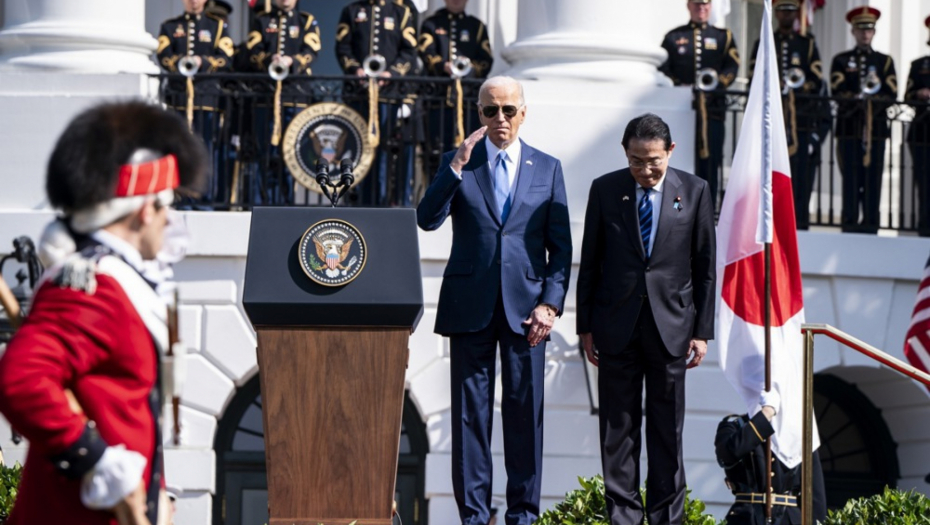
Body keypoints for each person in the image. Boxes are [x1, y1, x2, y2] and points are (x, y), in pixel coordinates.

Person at [0, 101, 207, 525]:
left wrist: (154, 492)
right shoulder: (93, 288)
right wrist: (97, 461)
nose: (168, 221)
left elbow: (123, 410)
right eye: (165, 207)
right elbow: (21, 380)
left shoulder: (118, 283)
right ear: (145, 209)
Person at [417, 76, 572, 525]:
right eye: (490, 110)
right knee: (470, 417)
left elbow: (560, 249)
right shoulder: (459, 162)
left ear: (523, 112)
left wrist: (550, 304)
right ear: (479, 113)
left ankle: (523, 516)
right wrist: (455, 167)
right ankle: (474, 516)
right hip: (470, 304)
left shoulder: (548, 168)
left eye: (508, 110)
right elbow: (427, 219)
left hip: (528, 310)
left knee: (525, 415)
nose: (500, 119)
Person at [576, 113, 715, 525]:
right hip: (615, 326)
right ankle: (624, 517)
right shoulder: (605, 189)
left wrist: (702, 332)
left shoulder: (695, 190)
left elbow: (705, 266)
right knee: (617, 430)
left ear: (670, 151)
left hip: (672, 328)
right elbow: (590, 263)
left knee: (667, 430)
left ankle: (666, 518)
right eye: (636, 161)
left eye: (653, 160)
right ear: (625, 153)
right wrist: (585, 327)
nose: (645, 170)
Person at [748, 0, 823, 230]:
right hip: (772, 119)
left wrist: (798, 87)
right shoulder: (765, 41)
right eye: (782, 11)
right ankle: (773, 221)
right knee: (771, 174)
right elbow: (753, 75)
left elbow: (817, 79)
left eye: (790, 11)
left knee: (801, 175)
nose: (786, 15)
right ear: (777, 14)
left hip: (800, 120)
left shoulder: (807, 43)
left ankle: (799, 221)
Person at [336, 0, 419, 207]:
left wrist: (391, 73)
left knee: (384, 151)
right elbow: (343, 47)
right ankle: (357, 200)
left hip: (389, 96)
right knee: (358, 148)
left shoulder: (401, 12)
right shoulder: (351, 11)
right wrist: (355, 69)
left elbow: (409, 51)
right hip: (359, 95)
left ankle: (382, 202)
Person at [659, 0, 739, 208]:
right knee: (681, 164)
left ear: (710, 6)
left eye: (705, 3)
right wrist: (680, 86)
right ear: (689, 5)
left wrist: (717, 83)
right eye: (696, 3)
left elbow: (732, 66)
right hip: (682, 112)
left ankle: (707, 210)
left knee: (711, 163)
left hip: (713, 111)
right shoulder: (673, 37)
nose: (701, 7)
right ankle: (679, 210)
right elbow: (663, 67)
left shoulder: (723, 37)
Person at [240, 0, 322, 205]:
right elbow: (252, 50)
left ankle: (287, 202)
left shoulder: (306, 21)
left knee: (291, 153)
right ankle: (264, 201)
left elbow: (312, 51)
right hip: (266, 97)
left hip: (295, 96)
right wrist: (270, 59)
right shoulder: (261, 21)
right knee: (264, 151)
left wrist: (291, 61)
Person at [157, 0, 234, 206]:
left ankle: (204, 198)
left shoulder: (217, 27)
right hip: (179, 99)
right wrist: (180, 63)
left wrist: (203, 62)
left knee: (205, 149)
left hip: (206, 99)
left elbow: (226, 58)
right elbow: (164, 56)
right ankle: (181, 196)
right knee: (178, 149)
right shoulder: (170, 27)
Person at [714, 390, 827, 525]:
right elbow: (727, 455)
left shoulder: (799, 434)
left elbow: (815, 496)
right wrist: (765, 415)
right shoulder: (734, 426)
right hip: (747, 518)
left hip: (789, 519)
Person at [830, 6, 897, 234]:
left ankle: (870, 223)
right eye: (861, 30)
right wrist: (857, 100)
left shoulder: (884, 62)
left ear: (874, 32)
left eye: (869, 30)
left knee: (872, 178)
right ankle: (849, 222)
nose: (865, 34)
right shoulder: (841, 60)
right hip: (849, 129)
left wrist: (871, 103)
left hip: (875, 129)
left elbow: (891, 93)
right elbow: (837, 90)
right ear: (853, 32)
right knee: (850, 177)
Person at [419, 0, 494, 182]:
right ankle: (436, 188)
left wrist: (469, 69)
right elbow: (425, 51)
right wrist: (442, 65)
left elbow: (486, 59)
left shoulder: (476, 26)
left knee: (471, 148)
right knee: (436, 149)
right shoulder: (431, 23)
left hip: (468, 102)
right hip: (438, 100)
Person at [905, 16, 930, 237]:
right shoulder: (918, 65)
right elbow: (907, 96)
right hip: (922, 132)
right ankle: (925, 226)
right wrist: (919, 94)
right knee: (924, 182)